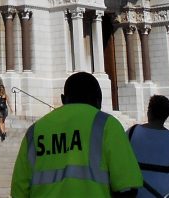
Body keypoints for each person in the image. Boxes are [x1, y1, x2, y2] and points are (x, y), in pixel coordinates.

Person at [11, 72, 142, 197]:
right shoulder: (107, 125)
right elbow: (127, 187)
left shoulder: (35, 131)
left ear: (63, 99)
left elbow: (19, 190)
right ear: (99, 100)